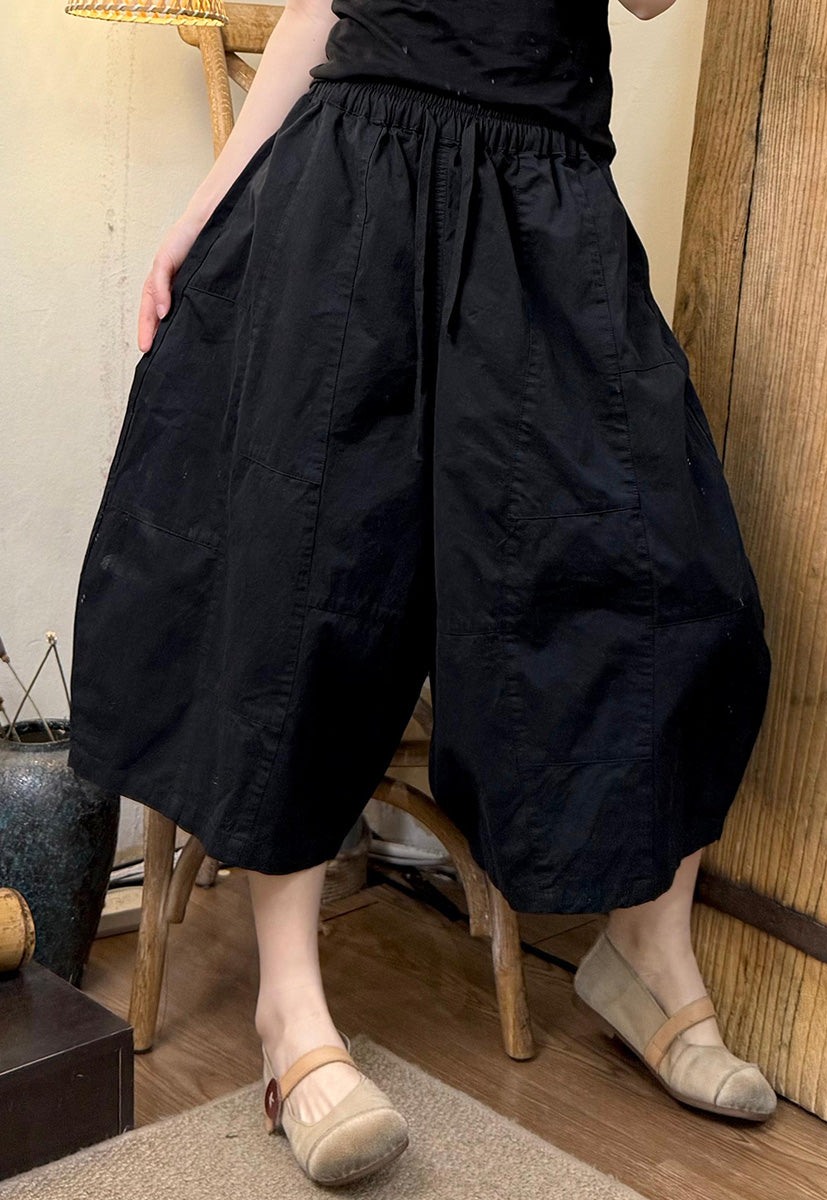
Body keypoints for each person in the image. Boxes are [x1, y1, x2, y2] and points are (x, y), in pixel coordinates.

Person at [67, 0, 776, 1184]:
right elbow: (321, 9)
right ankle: (291, 1015)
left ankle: (647, 956)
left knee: (675, 579)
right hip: (357, 186)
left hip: (546, 202)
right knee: (306, 585)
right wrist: (202, 209)